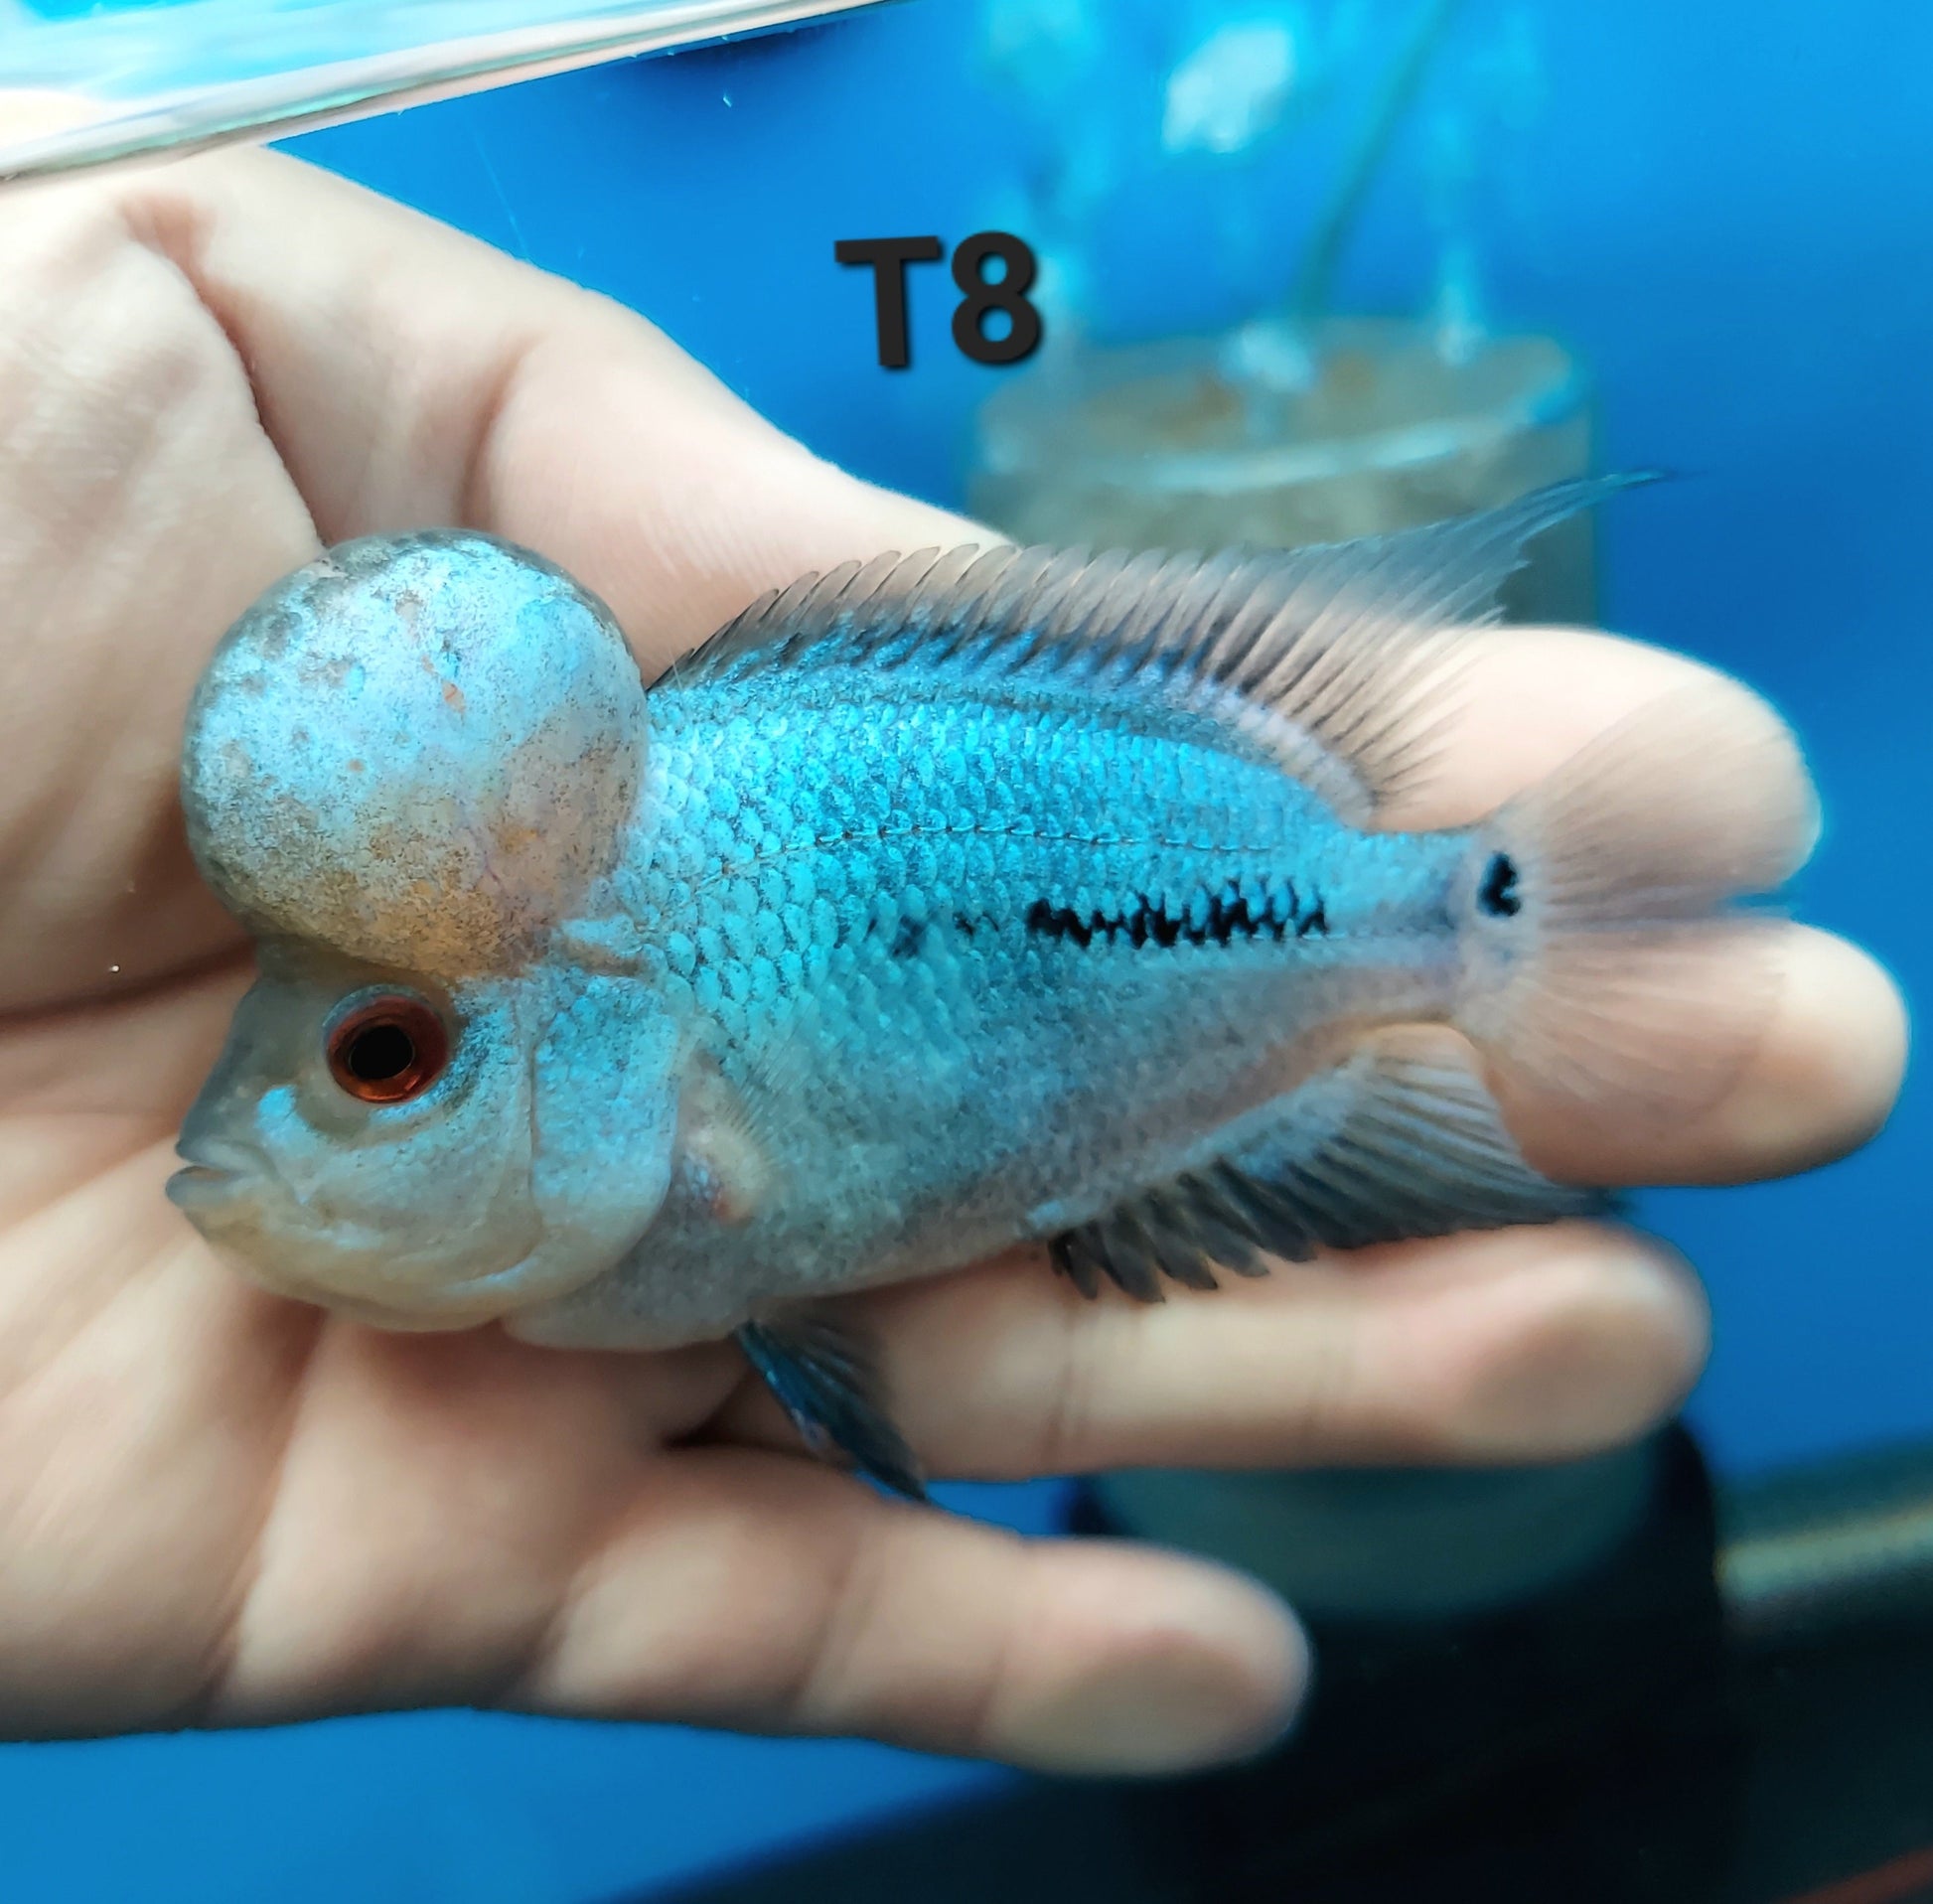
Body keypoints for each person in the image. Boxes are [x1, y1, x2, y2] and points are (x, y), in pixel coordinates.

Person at [0, 110, 1904, 1775]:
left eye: (383, 1058)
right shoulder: (546, 1010)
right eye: (373, 1059)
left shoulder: (627, 925)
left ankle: (1471, 922)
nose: (300, 1124)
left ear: (599, 1003)